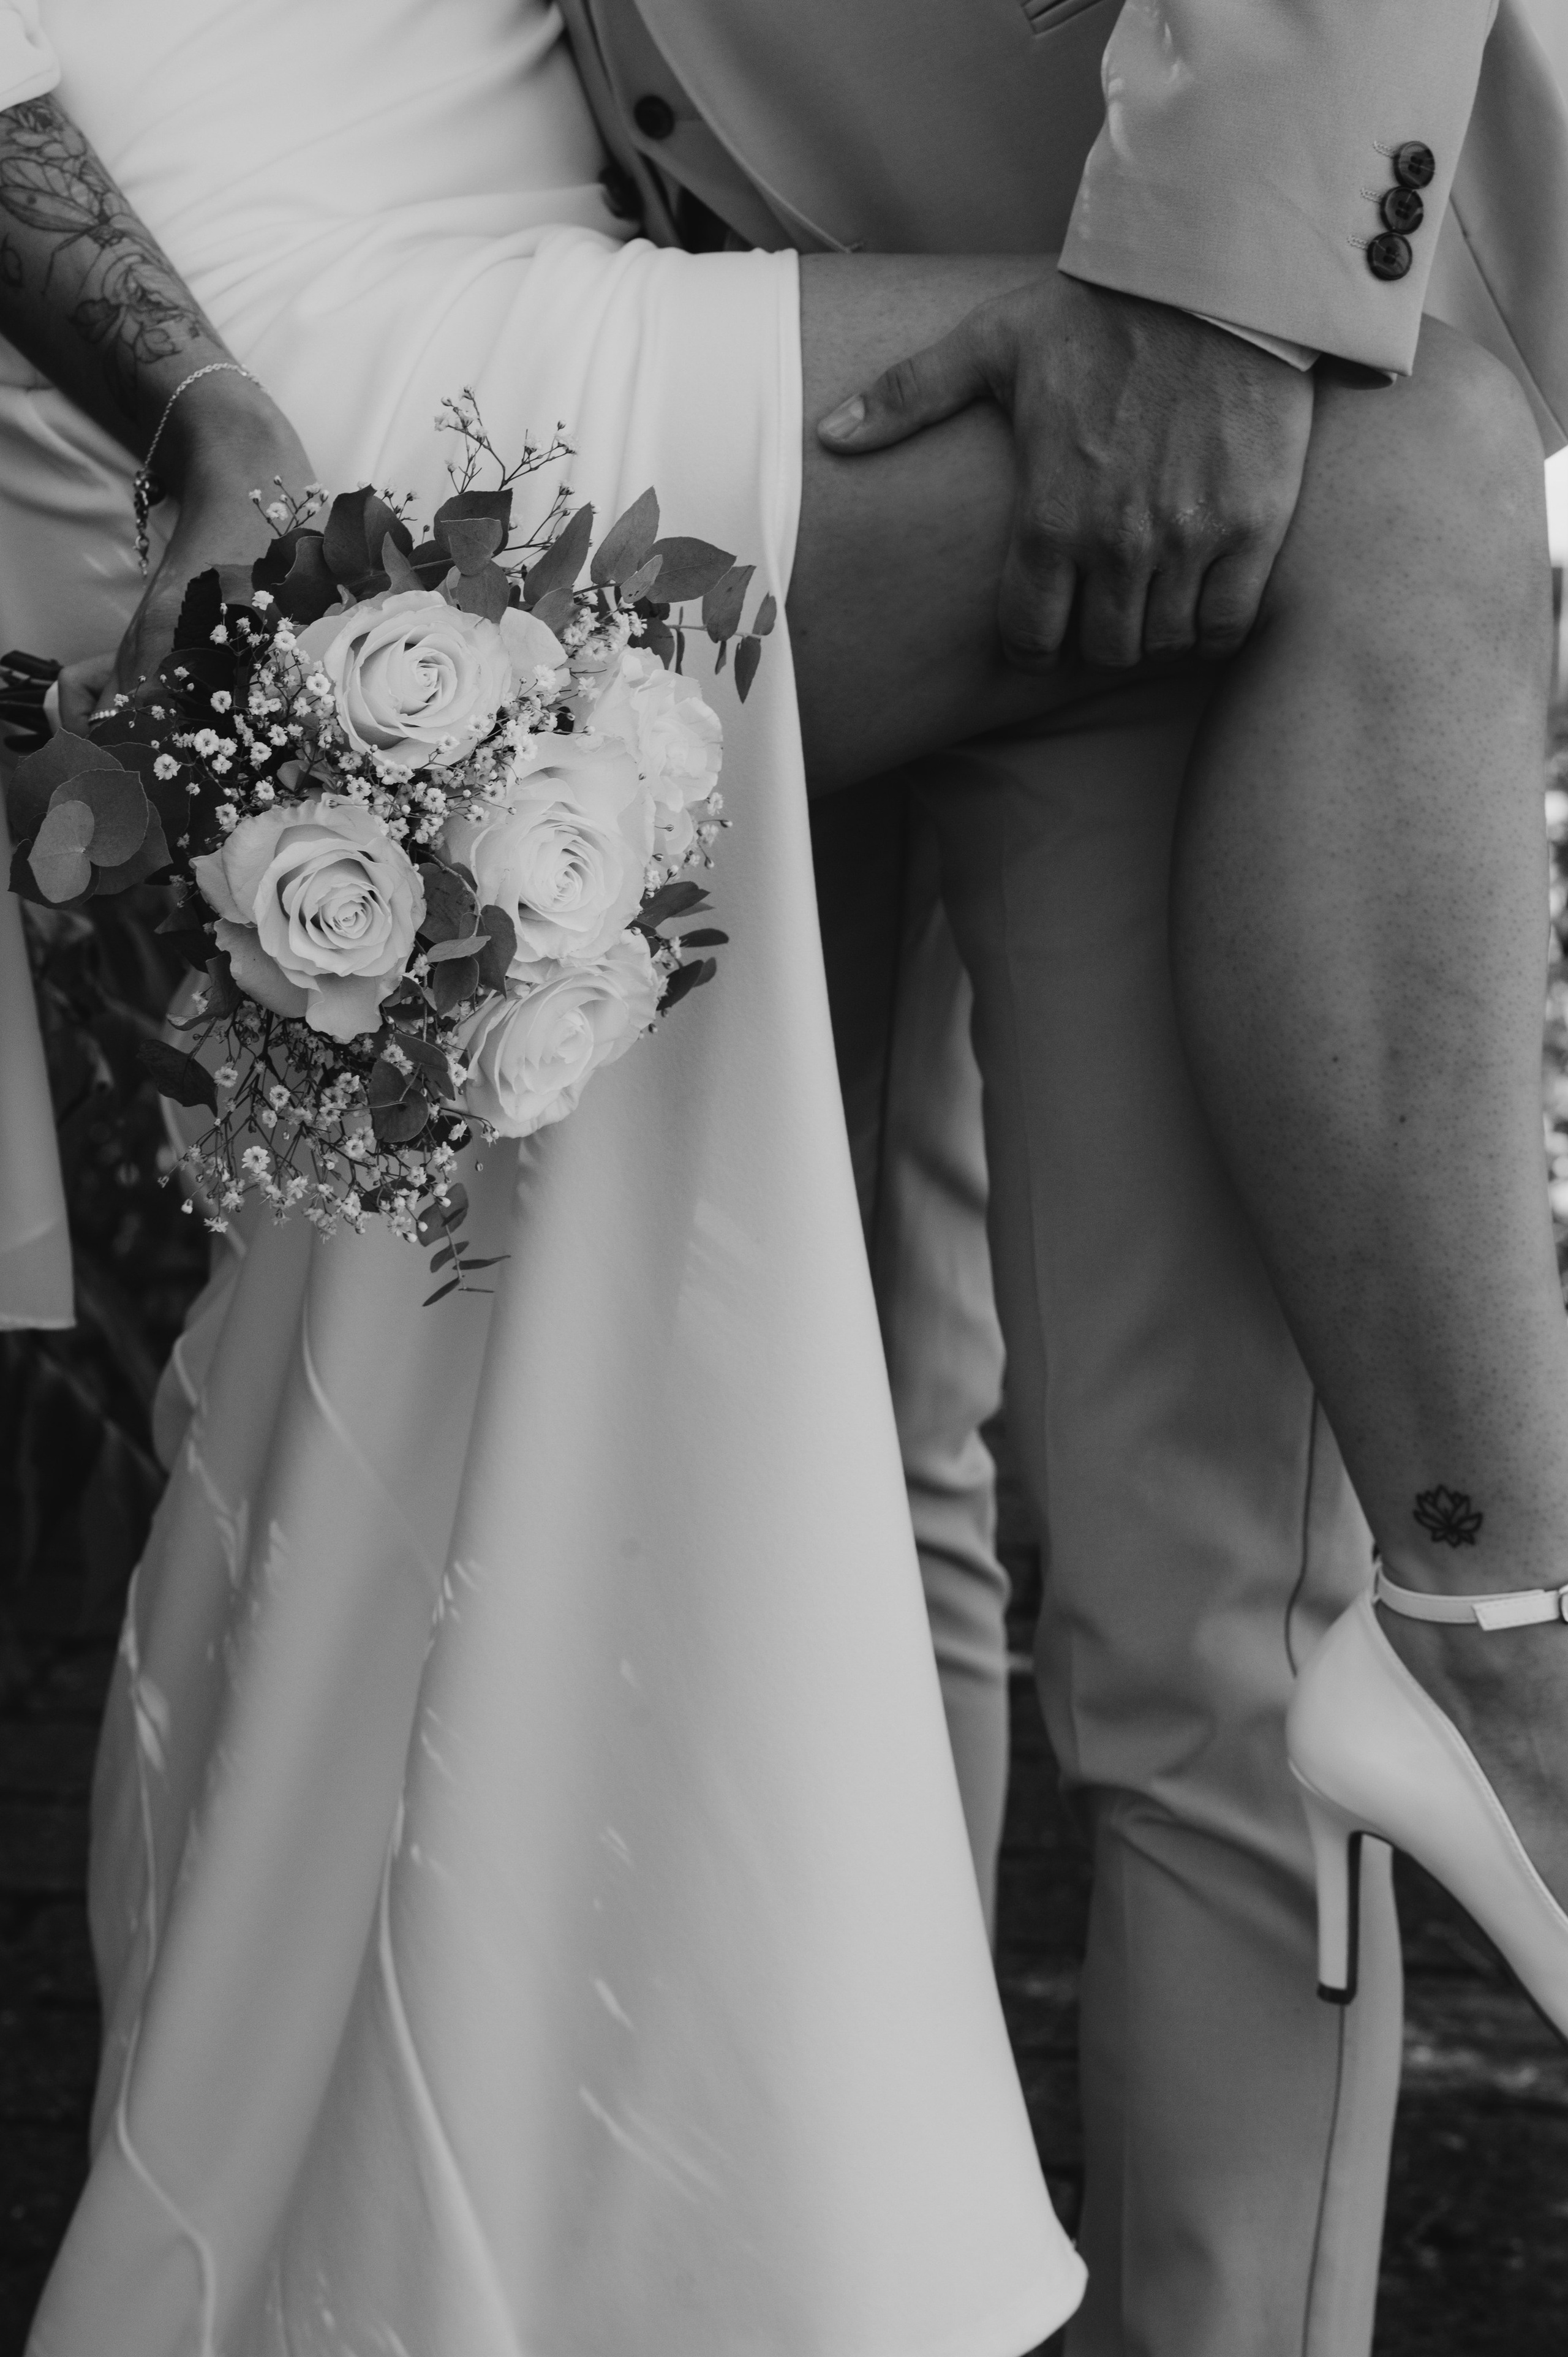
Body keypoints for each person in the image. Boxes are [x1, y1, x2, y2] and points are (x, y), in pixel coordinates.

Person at [1, 5, 1564, 2355]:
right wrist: (204, 415)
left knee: (849, 1432)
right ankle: (1515, 1628)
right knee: (1409, 448)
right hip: (310, 345)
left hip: (704, 250)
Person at [561, 7, 1568, 2350]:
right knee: (813, 1489)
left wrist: (1232, 273)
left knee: (1220, 1607)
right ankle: (868, 2294)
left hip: (1127, 305)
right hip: (636, 336)